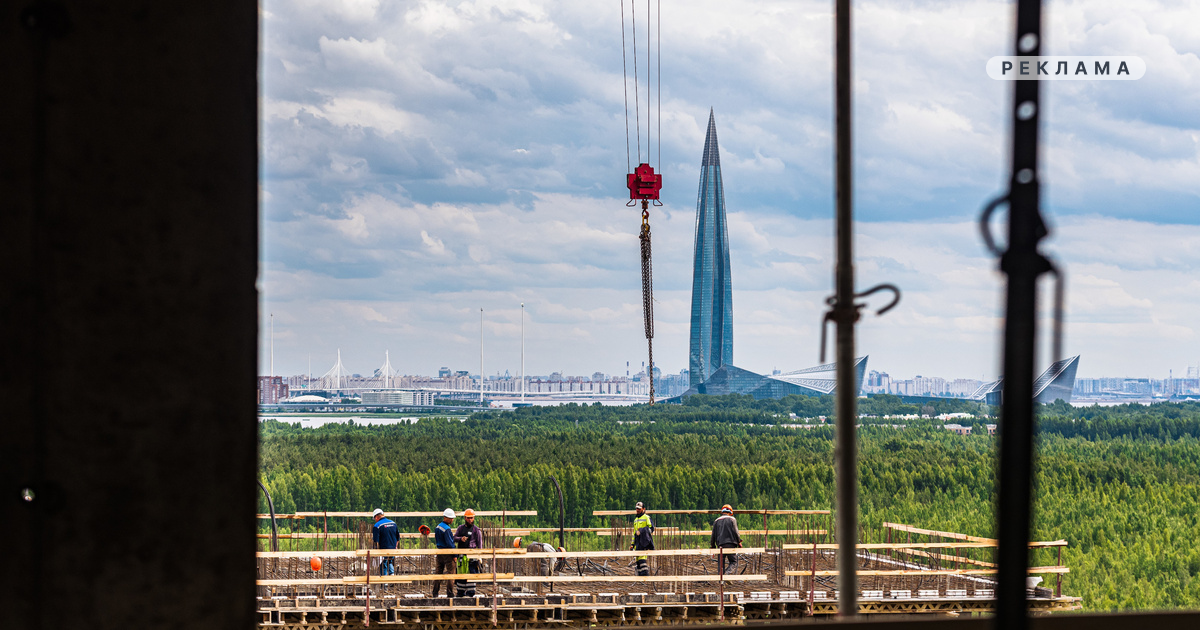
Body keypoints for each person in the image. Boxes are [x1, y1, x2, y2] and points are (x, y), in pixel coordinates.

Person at [454, 508, 483, 597]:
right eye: (468, 518)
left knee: (471, 574)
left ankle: (470, 594)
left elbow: (480, 544)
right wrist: (460, 539)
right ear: (465, 518)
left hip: (472, 557)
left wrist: (479, 556)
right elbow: (454, 538)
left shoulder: (476, 530)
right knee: (461, 575)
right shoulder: (460, 528)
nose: (470, 520)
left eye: (471, 518)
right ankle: (460, 593)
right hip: (461, 557)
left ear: (473, 518)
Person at [431, 508, 457, 597]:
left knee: (438, 572)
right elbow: (450, 543)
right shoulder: (447, 529)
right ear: (446, 518)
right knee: (451, 573)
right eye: (451, 518)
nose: (452, 520)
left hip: (439, 552)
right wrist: (454, 555)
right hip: (448, 553)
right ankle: (450, 593)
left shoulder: (438, 527)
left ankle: (435, 592)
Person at [709, 504, 742, 574]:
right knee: (733, 561)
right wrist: (739, 542)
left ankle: (721, 581)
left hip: (720, 544)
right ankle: (727, 574)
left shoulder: (716, 521)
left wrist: (713, 546)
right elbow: (736, 532)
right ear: (730, 512)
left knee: (721, 565)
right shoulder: (732, 519)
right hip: (731, 544)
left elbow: (713, 535)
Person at [628, 501, 654, 576]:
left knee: (642, 561)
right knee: (638, 562)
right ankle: (641, 581)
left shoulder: (646, 517)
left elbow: (651, 529)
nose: (638, 510)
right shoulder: (636, 520)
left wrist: (642, 531)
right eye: (637, 508)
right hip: (637, 544)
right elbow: (634, 534)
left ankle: (645, 578)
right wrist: (632, 544)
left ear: (643, 509)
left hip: (644, 543)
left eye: (639, 508)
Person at [371, 508, 399, 576]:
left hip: (383, 549)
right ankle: (392, 577)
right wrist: (395, 547)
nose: (375, 520)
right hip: (393, 548)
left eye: (375, 519)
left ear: (377, 517)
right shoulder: (393, 523)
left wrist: (375, 552)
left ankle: (385, 583)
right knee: (390, 562)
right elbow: (398, 538)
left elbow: (375, 541)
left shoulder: (377, 525)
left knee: (383, 564)